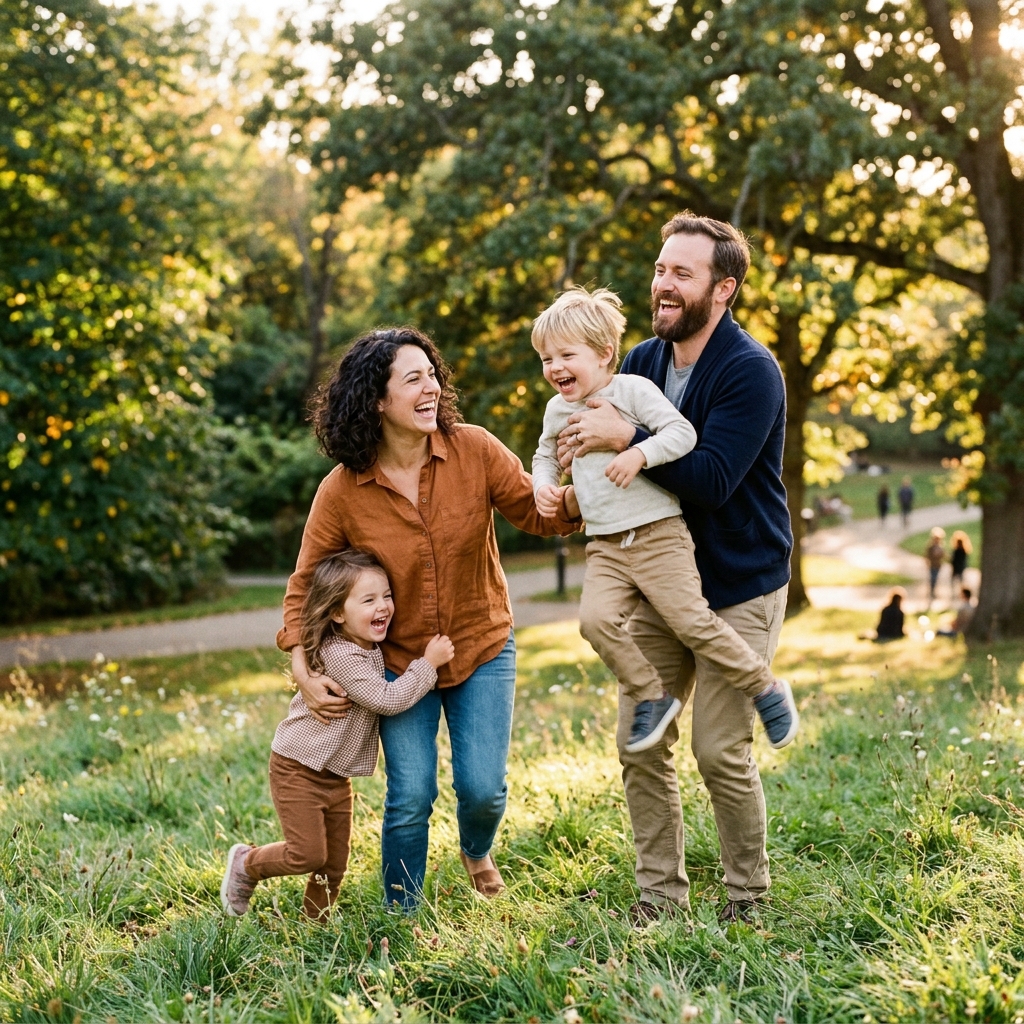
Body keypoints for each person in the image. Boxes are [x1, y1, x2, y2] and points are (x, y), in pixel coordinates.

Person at [275, 327, 579, 910]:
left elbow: (536, 513)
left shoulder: (475, 449)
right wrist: (302, 668)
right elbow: (305, 583)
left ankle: (476, 848)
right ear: (376, 400)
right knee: (410, 794)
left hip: (482, 643)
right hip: (396, 666)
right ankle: (401, 911)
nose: (430, 389)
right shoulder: (342, 490)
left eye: (432, 376)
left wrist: (583, 492)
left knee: (483, 791)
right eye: (412, 379)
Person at [555, 212, 793, 926]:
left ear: (723, 289)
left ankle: (746, 899)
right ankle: (660, 897)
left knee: (719, 748)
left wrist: (627, 436)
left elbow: (715, 478)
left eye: (680, 273)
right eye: (660, 268)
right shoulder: (640, 363)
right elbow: (608, 463)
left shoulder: (751, 371)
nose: (661, 283)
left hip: (737, 580)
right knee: (642, 740)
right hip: (658, 575)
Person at [531, 286, 797, 754]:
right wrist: (546, 488)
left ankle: (764, 686)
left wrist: (636, 451)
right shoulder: (559, 408)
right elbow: (545, 455)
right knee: (593, 622)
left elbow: (682, 434)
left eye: (565, 355)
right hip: (607, 547)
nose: (554, 368)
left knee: (693, 622)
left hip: (658, 536)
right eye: (546, 359)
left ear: (603, 354)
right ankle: (651, 695)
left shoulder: (633, 389)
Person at [220, 550, 455, 920]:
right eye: (368, 600)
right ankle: (248, 864)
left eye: (387, 596)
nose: (383, 607)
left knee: (333, 864)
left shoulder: (369, 647)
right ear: (337, 613)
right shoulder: (342, 655)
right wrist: (428, 664)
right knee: (307, 854)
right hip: (298, 769)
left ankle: (316, 925)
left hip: (334, 776)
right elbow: (386, 699)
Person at [925, 527, 946, 602]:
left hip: (938, 565)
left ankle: (933, 591)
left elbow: (943, 555)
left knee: (936, 578)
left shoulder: (941, 547)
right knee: (932, 578)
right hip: (932, 564)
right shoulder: (931, 547)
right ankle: (932, 591)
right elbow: (927, 555)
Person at [949, 530, 972, 595]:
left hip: (958, 567)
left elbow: (953, 559)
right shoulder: (963, 550)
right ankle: (958, 594)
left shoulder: (959, 551)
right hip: (959, 567)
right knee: (959, 582)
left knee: (957, 582)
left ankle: (959, 594)